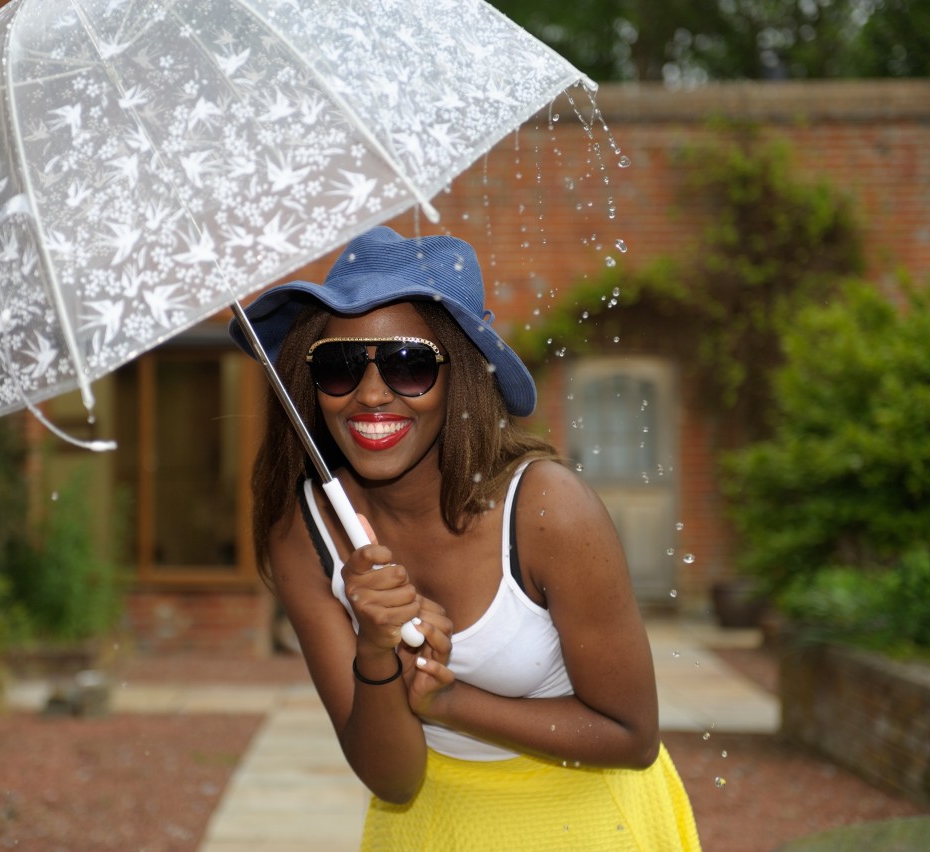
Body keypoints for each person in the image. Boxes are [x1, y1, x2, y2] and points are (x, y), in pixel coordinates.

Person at [229, 226, 700, 850]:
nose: (371, 395)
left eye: (409, 364)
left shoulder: (547, 510)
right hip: (429, 827)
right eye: (338, 367)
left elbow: (631, 735)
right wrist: (375, 652)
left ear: (463, 376)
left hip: (588, 823)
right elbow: (393, 780)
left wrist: (449, 703)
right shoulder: (303, 532)